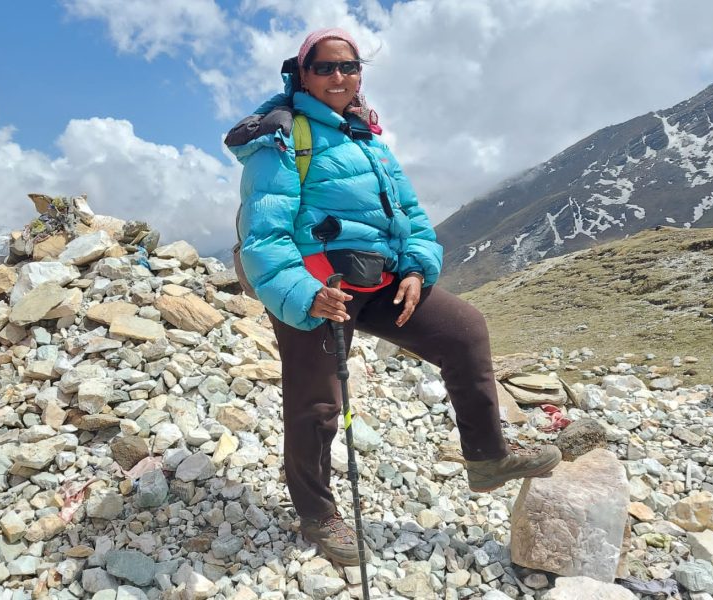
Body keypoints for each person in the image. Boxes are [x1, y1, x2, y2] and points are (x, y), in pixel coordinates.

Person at [224, 27, 561, 566]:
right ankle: (316, 513)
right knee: (317, 405)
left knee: (464, 330)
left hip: (378, 280)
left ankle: (488, 457)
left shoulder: (368, 136)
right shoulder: (282, 138)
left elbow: (411, 216)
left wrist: (417, 269)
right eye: (325, 67)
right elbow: (265, 236)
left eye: (350, 66)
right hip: (317, 287)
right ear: (302, 75)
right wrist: (305, 295)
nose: (339, 76)